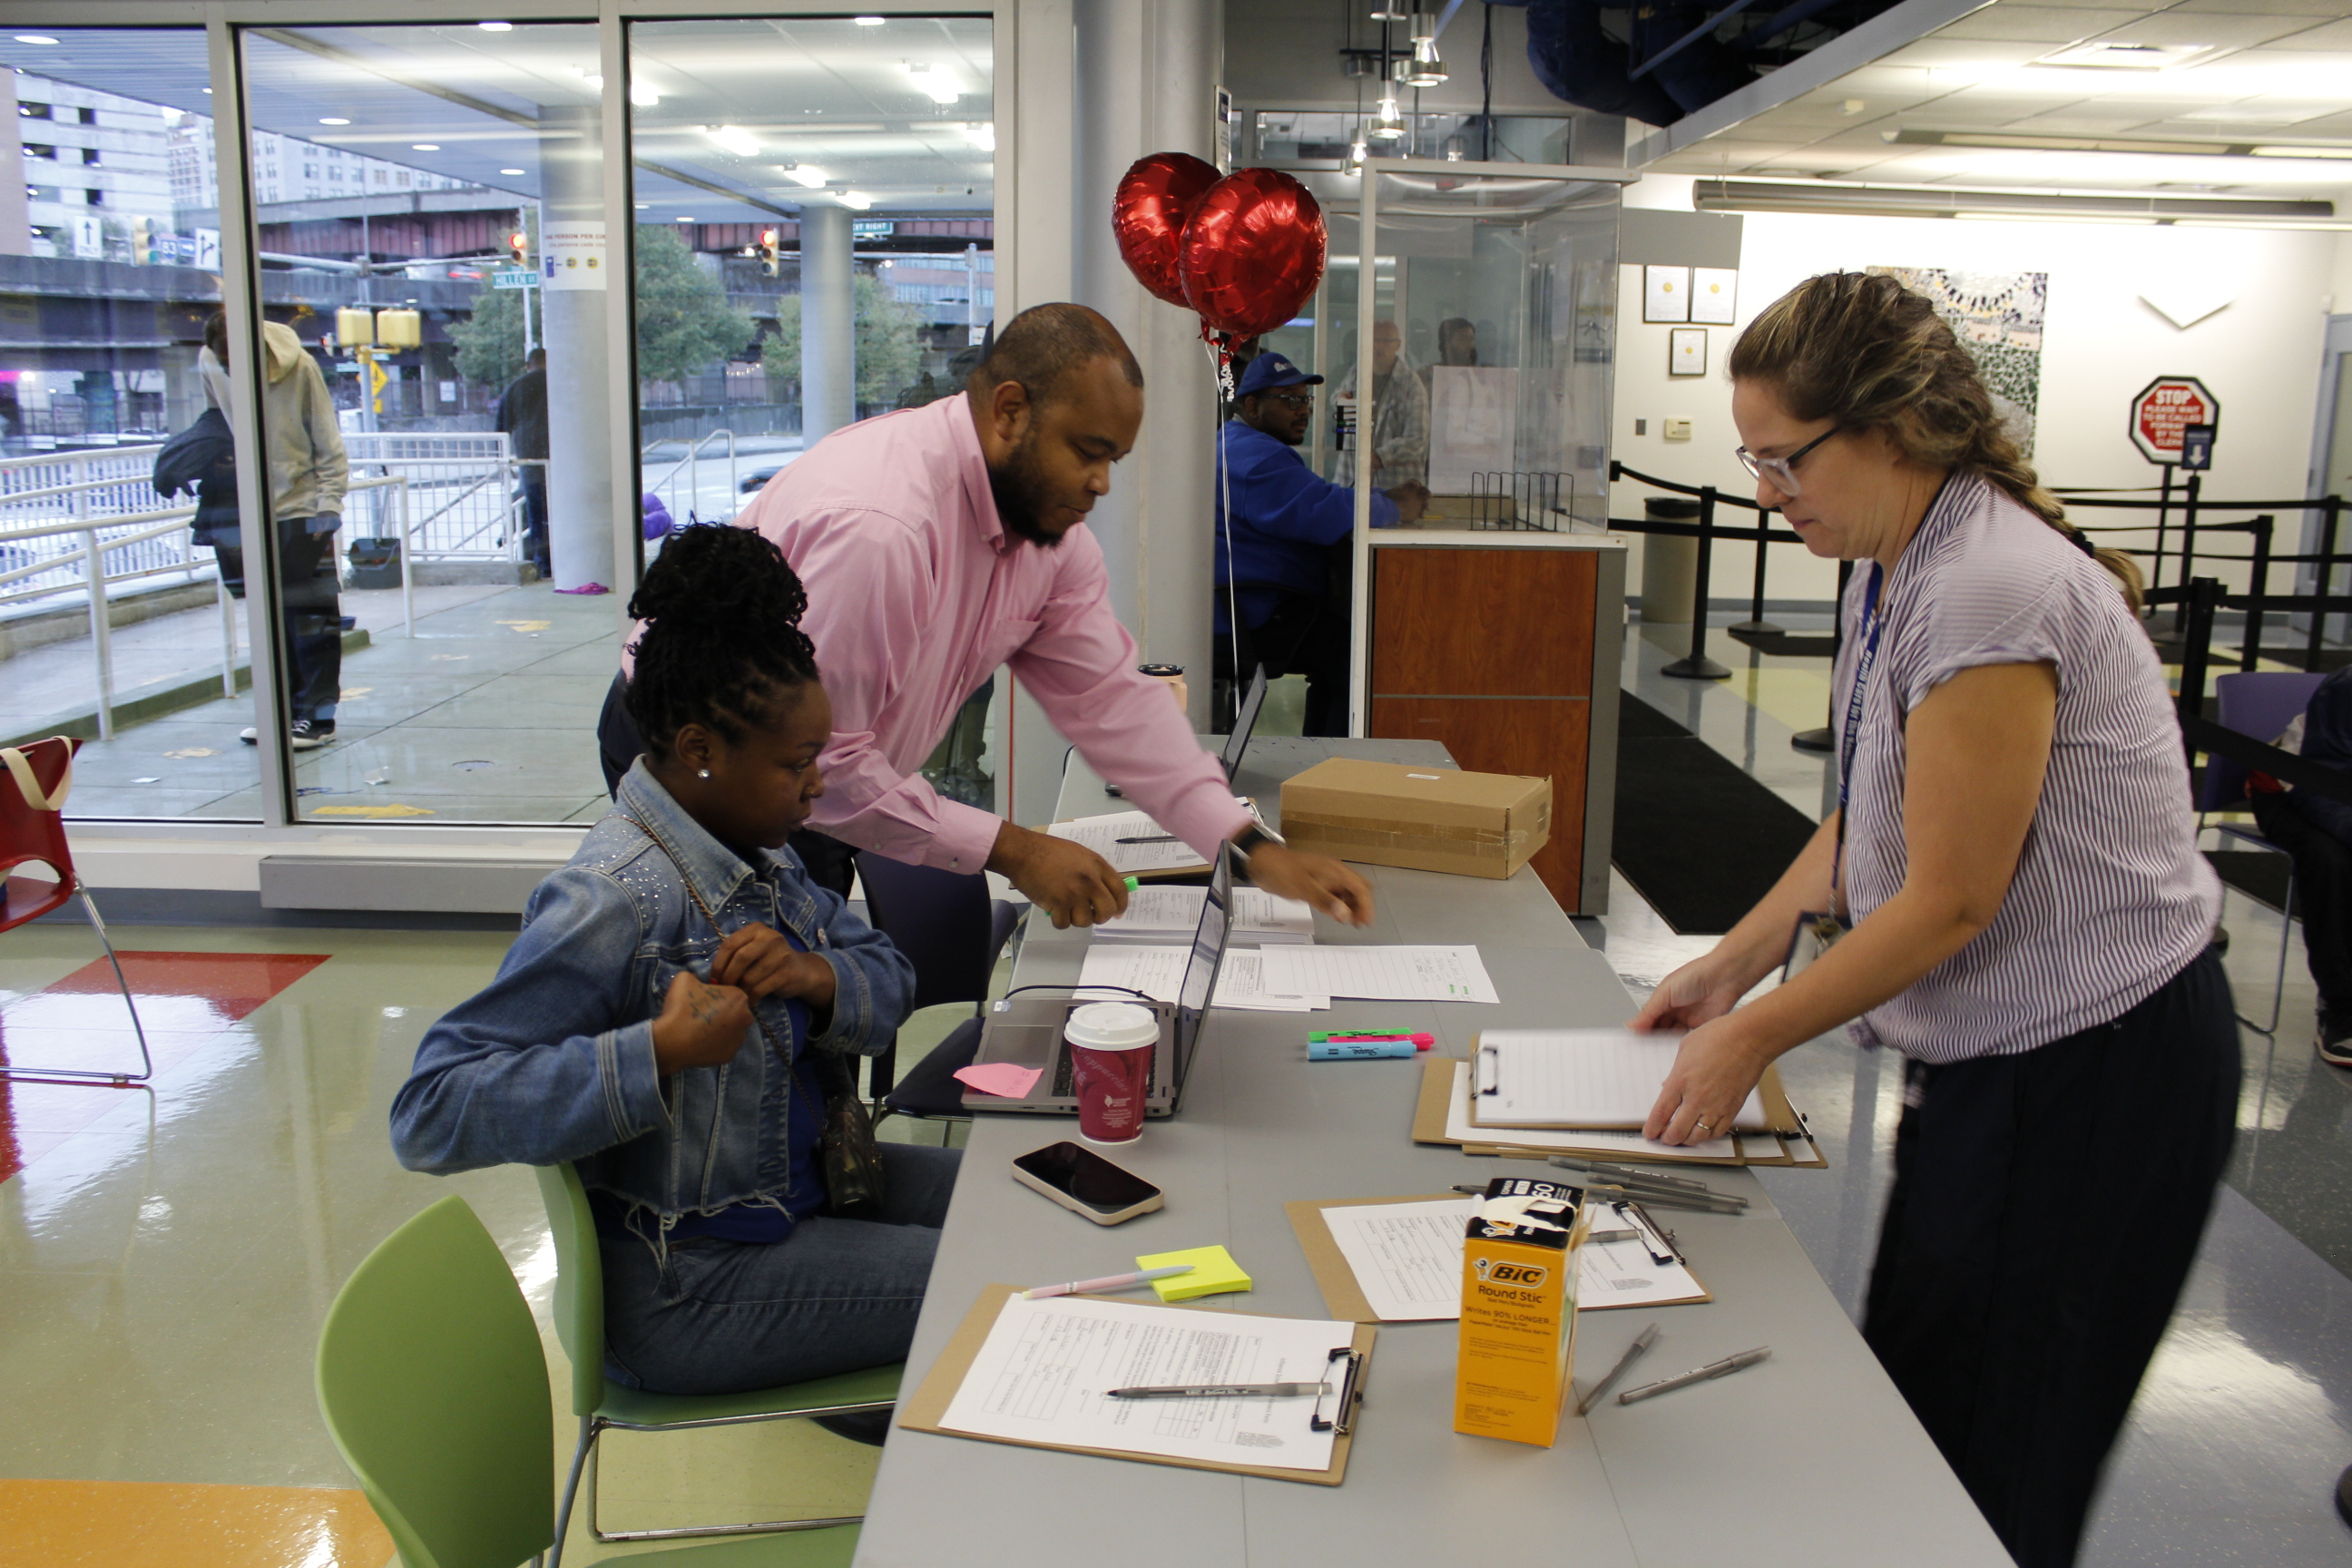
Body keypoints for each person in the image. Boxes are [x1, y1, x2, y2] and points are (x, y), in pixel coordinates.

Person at [1630, 272, 2237, 1568]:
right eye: (1752, 461)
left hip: (2096, 1065)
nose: (1766, 493)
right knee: (1926, 1398)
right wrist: (1736, 964)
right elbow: (1874, 810)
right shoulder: (1894, 558)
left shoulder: (1983, 589)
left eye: (1784, 461)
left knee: (1994, 1451)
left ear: (1889, 430)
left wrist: (1756, 1040)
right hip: (2011, 1056)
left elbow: (1956, 895)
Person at [392, 525, 941, 1441]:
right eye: (795, 766)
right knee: (995, 1276)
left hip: (797, 1194)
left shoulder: (757, 860)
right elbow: (432, 1108)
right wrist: (657, 1051)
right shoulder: (616, 898)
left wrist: (814, 976)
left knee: (1018, 1207)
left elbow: (891, 982)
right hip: (690, 1285)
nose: (816, 791)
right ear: (699, 749)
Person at [596, 303, 1376, 932]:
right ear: (1010, 411)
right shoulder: (884, 528)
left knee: (808, 983)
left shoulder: (1046, 529)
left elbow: (1112, 701)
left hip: (809, 782)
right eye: (1089, 451)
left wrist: (1243, 846)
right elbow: (824, 766)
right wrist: (1015, 851)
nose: (1102, 484)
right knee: (755, 1008)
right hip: (703, 754)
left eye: (1115, 461)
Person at [1212, 351, 1426, 737]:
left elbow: (1316, 498)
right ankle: (1330, 768)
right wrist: (1393, 507)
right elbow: (1321, 512)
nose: (1302, 410)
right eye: (1289, 400)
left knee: (1338, 651)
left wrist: (1379, 496)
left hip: (1245, 603)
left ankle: (1318, 761)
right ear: (1252, 406)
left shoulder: (1239, 444)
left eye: (1306, 400)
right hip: (1255, 612)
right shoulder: (1254, 458)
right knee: (1359, 653)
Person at [198, 310, 348, 750]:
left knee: (312, 617)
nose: (229, 369)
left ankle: (319, 718)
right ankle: (282, 713)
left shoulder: (299, 365)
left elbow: (327, 437)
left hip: (302, 508)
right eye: (224, 362)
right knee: (268, 619)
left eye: (235, 361)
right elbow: (214, 424)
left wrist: (329, 505)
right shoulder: (210, 362)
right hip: (248, 511)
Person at [2247, 666, 2352, 1063]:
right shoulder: (2346, 689)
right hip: (2294, 791)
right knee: (2329, 860)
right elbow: (2321, 783)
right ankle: (2340, 1008)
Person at [1332, 318, 1427, 488]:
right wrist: (1341, 399)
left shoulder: (1411, 384)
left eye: (1385, 341)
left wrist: (1380, 457)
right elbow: (1336, 398)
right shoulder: (1357, 372)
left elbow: (1417, 439)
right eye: (1374, 339)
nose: (1378, 346)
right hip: (1350, 480)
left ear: (1397, 345)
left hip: (1394, 488)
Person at [495, 347, 550, 578]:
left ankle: (543, 564)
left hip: (530, 458)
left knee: (535, 513)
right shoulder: (561, 382)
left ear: (529, 364)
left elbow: (500, 429)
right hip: (562, 458)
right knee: (562, 511)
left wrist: (508, 462)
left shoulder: (516, 387)